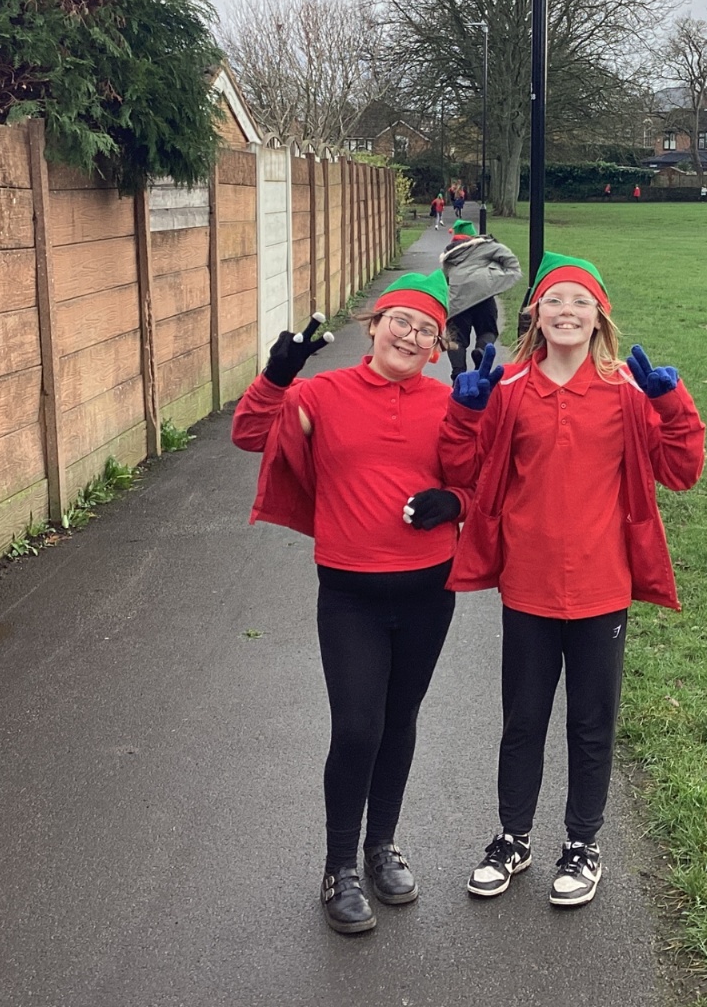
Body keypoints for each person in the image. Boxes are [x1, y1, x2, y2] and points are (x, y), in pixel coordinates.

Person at [440, 253, 706, 909]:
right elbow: (464, 471)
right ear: (535, 314)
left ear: (599, 317)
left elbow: (681, 471)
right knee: (523, 720)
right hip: (528, 585)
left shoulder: (626, 394)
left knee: (591, 723)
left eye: (580, 302)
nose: (566, 312)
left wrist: (673, 405)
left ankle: (582, 844)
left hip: (600, 586)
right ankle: (512, 837)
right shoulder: (509, 390)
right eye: (555, 301)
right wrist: (466, 413)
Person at [231, 271, 471, 935]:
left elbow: (482, 481)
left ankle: (381, 846)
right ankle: (339, 866)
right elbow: (249, 434)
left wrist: (455, 502)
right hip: (350, 594)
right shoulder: (323, 394)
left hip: (430, 591)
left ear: (436, 349)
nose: (411, 336)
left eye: (426, 331)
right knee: (358, 727)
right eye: (401, 321)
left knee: (399, 721)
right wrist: (277, 375)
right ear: (374, 327)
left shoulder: (449, 404)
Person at [440, 219, 521, 377]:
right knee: (488, 330)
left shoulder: (449, 256)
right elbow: (510, 260)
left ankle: (458, 374)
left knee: (456, 338)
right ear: (474, 235)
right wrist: (496, 277)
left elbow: (445, 279)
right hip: (484, 296)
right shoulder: (486, 246)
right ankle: (481, 350)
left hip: (458, 301)